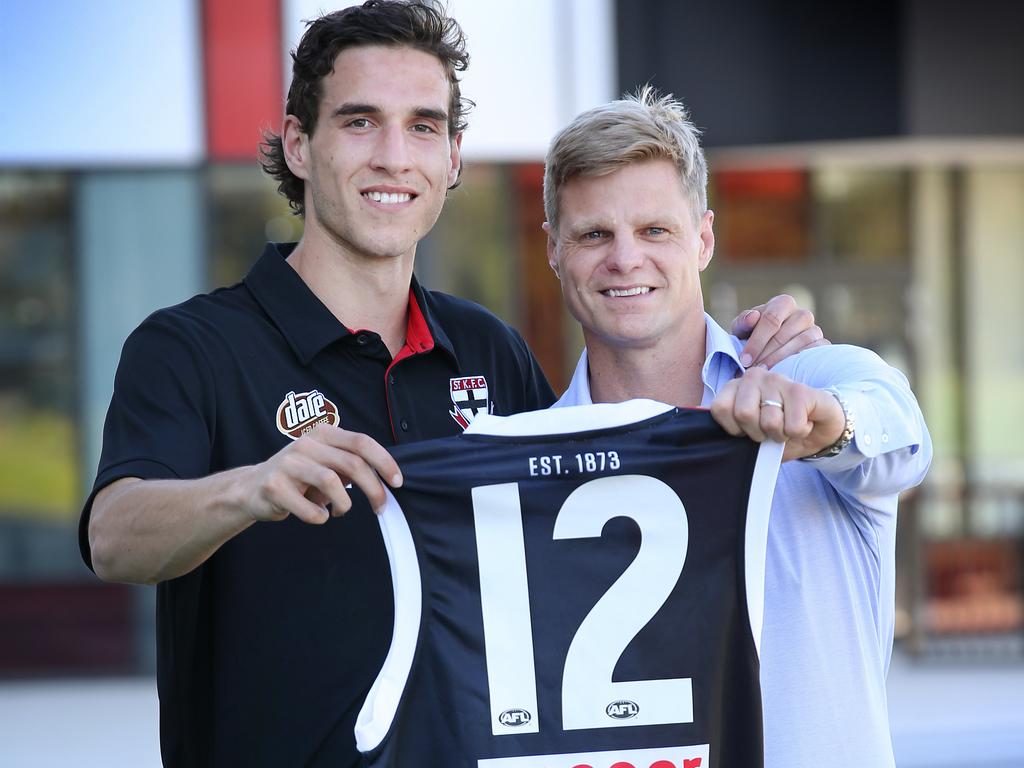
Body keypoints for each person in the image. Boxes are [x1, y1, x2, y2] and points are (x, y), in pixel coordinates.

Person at [79, 3, 823, 766]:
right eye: (361, 122)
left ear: (454, 157)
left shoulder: (489, 350)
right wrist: (251, 489)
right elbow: (114, 537)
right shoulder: (192, 347)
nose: (395, 157)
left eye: (424, 126)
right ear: (300, 145)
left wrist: (751, 355)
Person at [541, 88, 932, 767]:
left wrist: (821, 428)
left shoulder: (814, 377)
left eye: (655, 230)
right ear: (553, 250)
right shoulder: (532, 462)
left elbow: (900, 438)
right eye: (593, 234)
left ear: (704, 239)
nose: (625, 259)